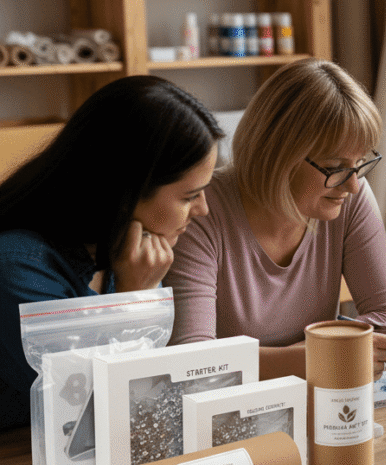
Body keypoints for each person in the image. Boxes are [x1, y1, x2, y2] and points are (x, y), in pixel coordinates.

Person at [164, 58, 386, 381]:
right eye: (336, 166)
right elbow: (194, 361)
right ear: (280, 155)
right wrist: (318, 357)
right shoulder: (201, 210)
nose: (353, 184)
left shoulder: (348, 195)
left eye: (360, 163)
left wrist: (324, 354)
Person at [0, 76, 223, 430]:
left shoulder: (124, 251)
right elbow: (93, 412)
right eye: (189, 196)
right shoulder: (18, 268)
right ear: (126, 190)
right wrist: (135, 299)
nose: (203, 210)